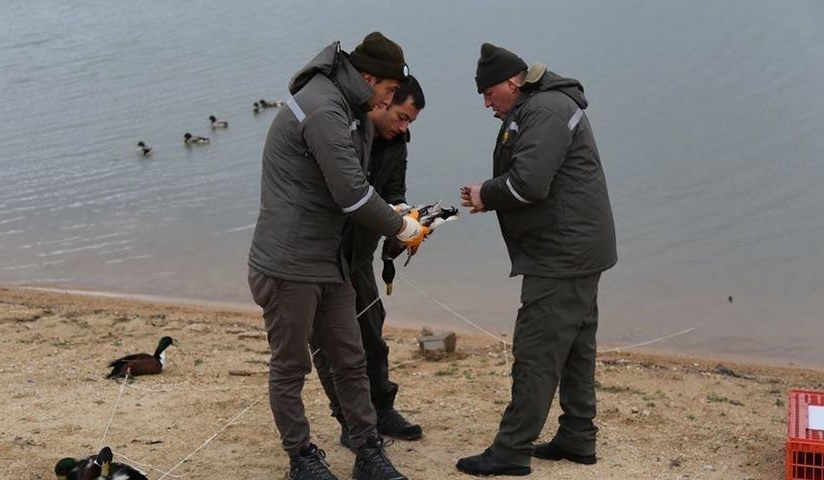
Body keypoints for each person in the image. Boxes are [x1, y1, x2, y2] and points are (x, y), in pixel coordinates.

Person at [247, 32, 427, 480]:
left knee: (350, 359)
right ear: (368, 78)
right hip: (289, 262)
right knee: (291, 367)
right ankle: (301, 459)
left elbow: (364, 183)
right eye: (389, 92)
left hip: (331, 260)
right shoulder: (324, 105)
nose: (387, 102)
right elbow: (351, 192)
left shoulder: (352, 108)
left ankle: (368, 451)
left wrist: (397, 209)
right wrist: (403, 226)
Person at [455, 43, 617, 476]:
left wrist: (484, 195)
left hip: (562, 252)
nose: (487, 103)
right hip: (578, 247)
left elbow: (530, 184)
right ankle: (578, 437)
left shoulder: (544, 110)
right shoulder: (543, 105)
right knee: (575, 346)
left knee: (537, 351)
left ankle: (510, 451)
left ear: (512, 82)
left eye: (489, 93)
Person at [311, 76, 426, 448]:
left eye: (410, 121)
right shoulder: (343, 132)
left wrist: (403, 228)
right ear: (382, 102)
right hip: (322, 256)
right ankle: (347, 419)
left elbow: (395, 195)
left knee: (372, 337)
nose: (404, 127)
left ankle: (383, 410)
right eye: (402, 116)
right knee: (332, 344)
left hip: (360, 255)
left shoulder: (398, 143)